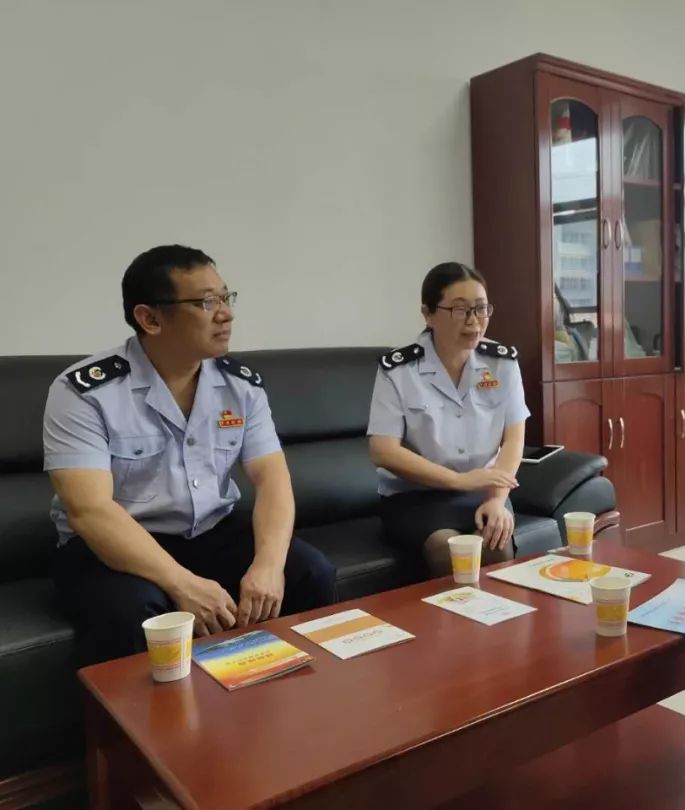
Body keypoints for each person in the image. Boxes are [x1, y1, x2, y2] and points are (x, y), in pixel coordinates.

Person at [45, 245, 336, 666]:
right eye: (206, 302)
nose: (226, 314)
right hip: (110, 546)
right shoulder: (83, 392)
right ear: (150, 318)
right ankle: (139, 731)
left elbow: (272, 478)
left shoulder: (242, 386)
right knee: (135, 612)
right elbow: (90, 511)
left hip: (209, 531)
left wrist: (269, 566)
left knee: (310, 572)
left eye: (226, 297)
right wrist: (181, 583)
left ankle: (289, 711)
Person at [368, 261, 528, 576]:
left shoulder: (502, 363)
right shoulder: (398, 370)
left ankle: (502, 624)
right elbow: (382, 450)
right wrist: (458, 480)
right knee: (449, 549)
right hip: (414, 496)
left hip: (484, 490)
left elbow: (514, 437)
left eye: (481, 309)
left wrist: (498, 499)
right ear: (428, 314)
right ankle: (456, 626)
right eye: (459, 310)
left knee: (497, 542)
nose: (473, 322)